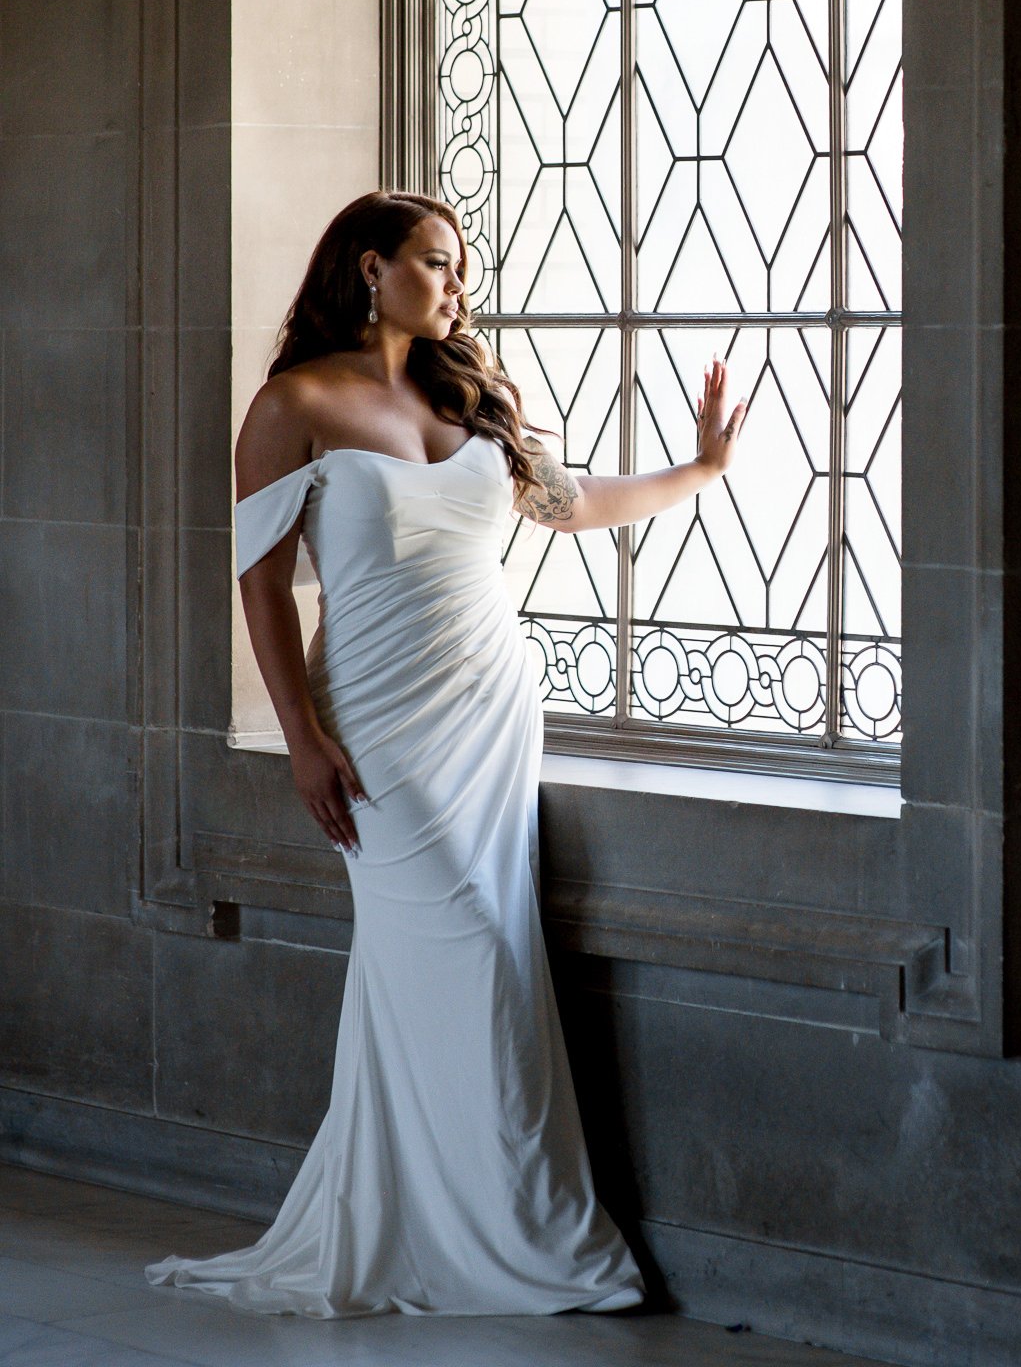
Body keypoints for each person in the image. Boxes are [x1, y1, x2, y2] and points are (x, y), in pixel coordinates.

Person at [144, 189, 748, 1319]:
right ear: (370, 266)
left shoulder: (470, 390)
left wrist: (700, 469)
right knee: (469, 952)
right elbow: (261, 583)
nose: (457, 285)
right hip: (375, 725)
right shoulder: (293, 403)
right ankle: (510, 1240)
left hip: (487, 713)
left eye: (460, 267)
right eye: (437, 262)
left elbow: (566, 506)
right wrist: (301, 740)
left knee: (475, 957)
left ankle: (455, 1223)